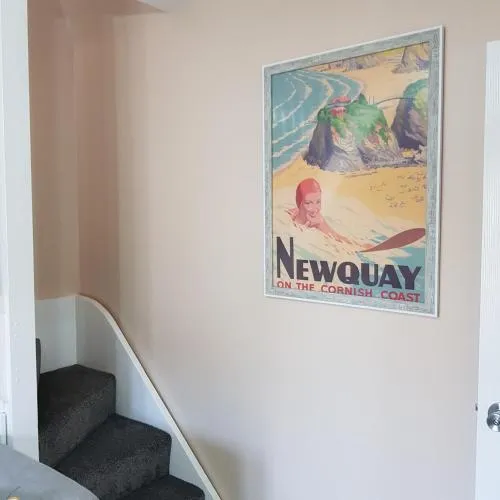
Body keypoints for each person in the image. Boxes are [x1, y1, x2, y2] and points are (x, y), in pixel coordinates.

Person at [288, 178, 352, 244]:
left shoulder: (318, 221)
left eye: (318, 202)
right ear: (299, 203)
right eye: (308, 203)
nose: (314, 209)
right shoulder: (288, 215)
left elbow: (338, 238)